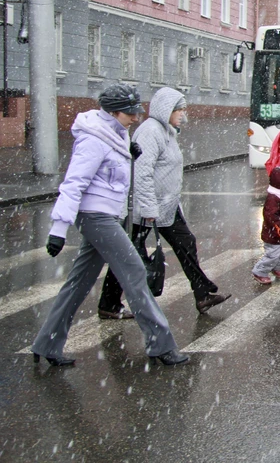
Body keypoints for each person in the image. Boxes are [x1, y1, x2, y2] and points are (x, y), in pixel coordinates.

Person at [32, 84, 188, 367]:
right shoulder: (93, 139)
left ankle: (47, 344)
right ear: (113, 112)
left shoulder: (114, 133)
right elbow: (74, 183)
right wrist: (58, 229)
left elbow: (111, 174)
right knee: (135, 272)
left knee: (79, 281)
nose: (135, 118)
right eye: (130, 113)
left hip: (107, 216)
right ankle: (160, 345)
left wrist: (128, 154)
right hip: (96, 217)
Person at [97, 87, 231, 316]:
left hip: (166, 207)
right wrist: (148, 208)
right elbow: (141, 173)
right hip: (147, 209)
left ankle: (202, 294)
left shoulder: (167, 130)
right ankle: (108, 304)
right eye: (178, 109)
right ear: (165, 109)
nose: (182, 113)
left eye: (183, 108)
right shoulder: (150, 132)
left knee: (186, 243)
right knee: (128, 253)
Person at [253, 166, 280, 284]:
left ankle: (276, 267)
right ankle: (260, 271)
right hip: (274, 233)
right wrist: (278, 227)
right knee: (273, 254)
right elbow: (270, 216)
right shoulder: (273, 199)